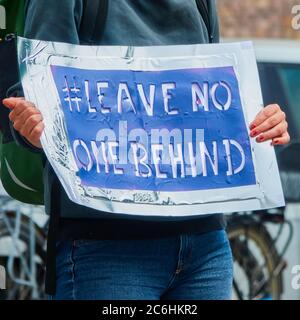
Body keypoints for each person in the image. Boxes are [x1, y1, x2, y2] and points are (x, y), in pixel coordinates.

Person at [3, 0, 290, 300]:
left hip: (207, 250)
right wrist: (32, 126)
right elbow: (34, 87)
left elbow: (206, 105)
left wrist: (264, 125)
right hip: (108, 251)